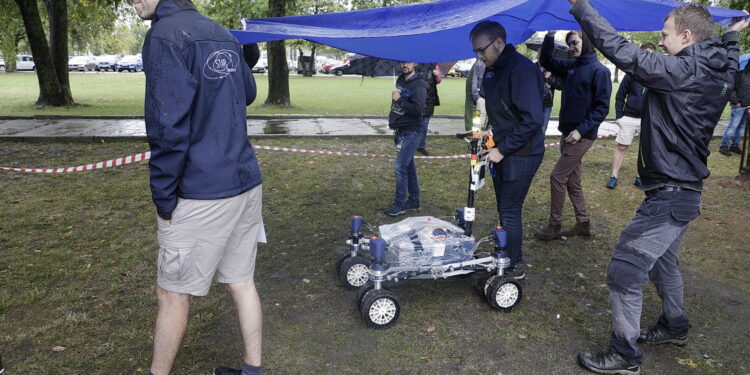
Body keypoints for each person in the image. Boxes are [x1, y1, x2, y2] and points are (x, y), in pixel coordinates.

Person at [565, 0, 747, 374]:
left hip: (670, 195)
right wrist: (731, 37)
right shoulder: (718, 68)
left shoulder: (682, 69)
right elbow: (730, 61)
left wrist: (582, 7)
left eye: (665, 35)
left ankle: (625, 356)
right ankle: (674, 326)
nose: (661, 42)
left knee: (624, 271)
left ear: (686, 35)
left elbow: (622, 51)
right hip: (685, 191)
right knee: (664, 263)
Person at [134, 0, 265, 374]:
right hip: (244, 181)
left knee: (172, 293)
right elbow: (247, 92)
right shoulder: (218, 31)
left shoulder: (164, 36)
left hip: (202, 192)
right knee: (241, 281)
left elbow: (166, 125)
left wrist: (164, 196)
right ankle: (252, 370)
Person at [470, 21, 546, 279]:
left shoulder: (522, 70)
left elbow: (532, 120)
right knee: (504, 207)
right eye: (476, 52)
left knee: (510, 209)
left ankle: (513, 266)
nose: (479, 56)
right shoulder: (493, 69)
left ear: (499, 43)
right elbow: (501, 111)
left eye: (482, 50)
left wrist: (502, 150)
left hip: (523, 152)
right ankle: (505, 253)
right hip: (503, 147)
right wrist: (489, 138)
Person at [535, 28, 612, 240]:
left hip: (582, 136)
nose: (571, 47)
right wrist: (550, 36)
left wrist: (580, 130)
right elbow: (548, 61)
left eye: (575, 42)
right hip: (567, 133)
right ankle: (583, 223)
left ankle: (554, 225)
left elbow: (601, 108)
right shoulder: (570, 66)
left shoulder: (600, 71)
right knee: (572, 181)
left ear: (586, 42)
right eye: (569, 43)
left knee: (557, 176)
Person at [606, 43, 656, 189]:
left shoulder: (656, 76)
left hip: (647, 119)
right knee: (621, 147)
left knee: (645, 149)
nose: (647, 56)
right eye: (645, 53)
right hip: (628, 117)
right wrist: (619, 116)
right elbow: (620, 95)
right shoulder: (631, 74)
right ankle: (614, 176)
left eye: (650, 54)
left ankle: (640, 177)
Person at [384, 61, 426, 217]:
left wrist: (399, 99)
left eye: (408, 62)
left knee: (400, 167)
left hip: (412, 132)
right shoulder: (400, 79)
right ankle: (414, 200)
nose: (404, 65)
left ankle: (399, 204)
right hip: (400, 131)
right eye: (402, 62)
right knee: (408, 167)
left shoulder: (419, 85)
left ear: (415, 64)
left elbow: (418, 110)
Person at [537, 50, 564, 134]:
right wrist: (543, 77)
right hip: (534, 104)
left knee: (542, 129)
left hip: (547, 105)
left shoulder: (552, 70)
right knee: (532, 128)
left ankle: (539, 146)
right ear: (537, 57)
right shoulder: (531, 68)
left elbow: (560, 86)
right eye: (541, 57)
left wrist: (550, 77)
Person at [418, 64, 441, 156]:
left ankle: (421, 145)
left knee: (424, 125)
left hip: (429, 99)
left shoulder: (434, 65)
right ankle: (412, 144)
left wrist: (436, 75)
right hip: (417, 97)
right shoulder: (415, 63)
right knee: (415, 124)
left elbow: (438, 80)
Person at [719, 81, 747, 156]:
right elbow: (731, 87)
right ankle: (723, 146)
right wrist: (735, 101)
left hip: (747, 106)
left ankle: (734, 146)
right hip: (738, 105)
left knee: (741, 127)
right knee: (732, 126)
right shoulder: (741, 74)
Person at [464, 59, 486, 131]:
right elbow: (474, 83)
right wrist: (477, 97)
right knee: (477, 113)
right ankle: (472, 130)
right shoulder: (479, 64)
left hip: (485, 95)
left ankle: (475, 130)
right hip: (479, 96)